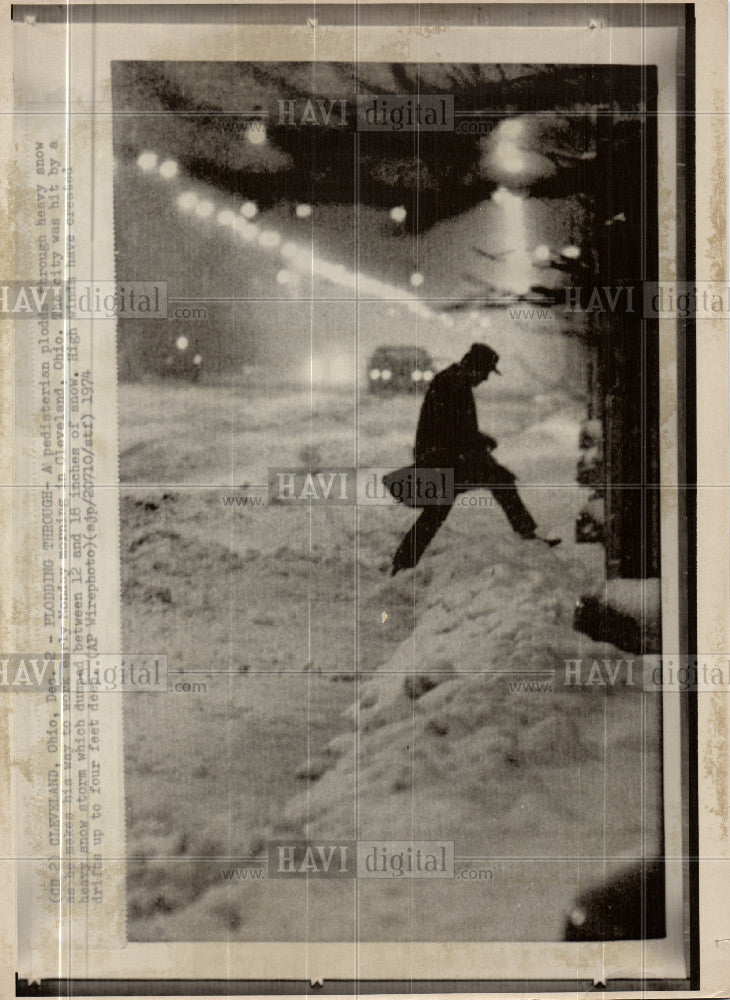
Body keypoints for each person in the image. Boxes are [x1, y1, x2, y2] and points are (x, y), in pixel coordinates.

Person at [390, 342, 560, 575]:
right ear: (477, 368)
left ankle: (402, 563)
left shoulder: (453, 380)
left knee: (440, 509)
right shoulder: (454, 384)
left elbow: (457, 429)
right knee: (497, 481)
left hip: (443, 458)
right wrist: (480, 442)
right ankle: (527, 535)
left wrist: (480, 441)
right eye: (487, 372)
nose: (487, 379)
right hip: (442, 460)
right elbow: (454, 431)